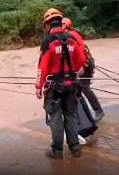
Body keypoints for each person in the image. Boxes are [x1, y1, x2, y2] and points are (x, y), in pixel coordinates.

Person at [35, 8, 86, 159]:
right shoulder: (71, 39)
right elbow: (82, 62)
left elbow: (42, 68)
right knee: (71, 115)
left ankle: (57, 151)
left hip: (54, 88)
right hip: (72, 85)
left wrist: (38, 87)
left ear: (47, 25)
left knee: (56, 118)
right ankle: (75, 148)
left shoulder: (47, 42)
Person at [62, 17, 105, 122]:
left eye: (62, 25)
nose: (61, 27)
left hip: (84, 65)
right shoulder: (70, 35)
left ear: (66, 26)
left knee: (83, 88)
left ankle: (98, 111)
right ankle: (85, 115)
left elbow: (80, 53)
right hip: (83, 64)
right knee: (78, 91)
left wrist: (81, 69)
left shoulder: (71, 35)